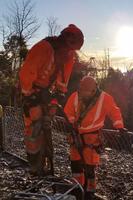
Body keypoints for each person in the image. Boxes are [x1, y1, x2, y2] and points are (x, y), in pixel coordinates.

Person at [19, 24, 84, 176]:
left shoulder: (68, 56)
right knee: (34, 128)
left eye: (72, 50)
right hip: (31, 91)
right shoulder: (43, 48)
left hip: (46, 92)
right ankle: (34, 166)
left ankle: (47, 163)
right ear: (63, 40)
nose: (70, 52)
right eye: (69, 48)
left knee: (47, 124)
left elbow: (64, 78)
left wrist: (58, 96)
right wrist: (30, 97)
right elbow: (26, 74)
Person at [64, 76, 125, 199]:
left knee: (90, 168)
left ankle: (89, 193)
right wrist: (71, 123)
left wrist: (119, 126)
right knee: (75, 165)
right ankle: (77, 190)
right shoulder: (75, 96)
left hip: (92, 138)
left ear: (93, 90)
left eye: (85, 92)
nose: (83, 94)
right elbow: (68, 111)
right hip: (76, 136)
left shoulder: (104, 98)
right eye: (81, 91)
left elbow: (114, 111)